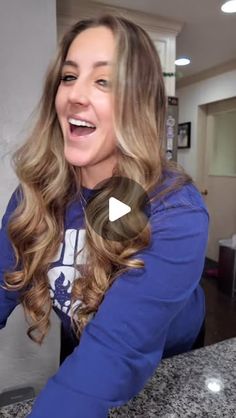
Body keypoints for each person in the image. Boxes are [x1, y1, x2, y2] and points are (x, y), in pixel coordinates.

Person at [0, 14, 209, 418]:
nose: (75, 95)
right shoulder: (37, 193)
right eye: (68, 76)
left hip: (168, 354)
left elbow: (116, 352)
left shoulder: (175, 210)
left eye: (103, 81)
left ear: (140, 103)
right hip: (85, 337)